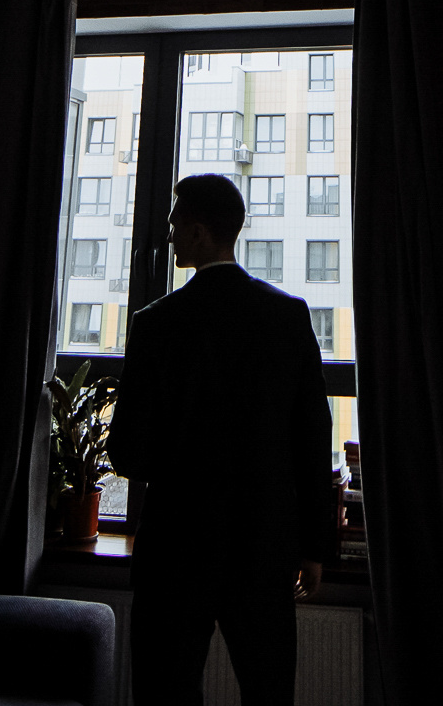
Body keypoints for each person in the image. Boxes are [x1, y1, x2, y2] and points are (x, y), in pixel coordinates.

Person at [109, 173, 336, 706]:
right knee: (268, 691)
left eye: (175, 224)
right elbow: (312, 439)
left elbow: (127, 452)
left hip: (174, 550)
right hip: (262, 547)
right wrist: (314, 547)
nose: (168, 234)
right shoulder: (288, 316)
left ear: (199, 232)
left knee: (165, 694)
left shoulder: (155, 324)